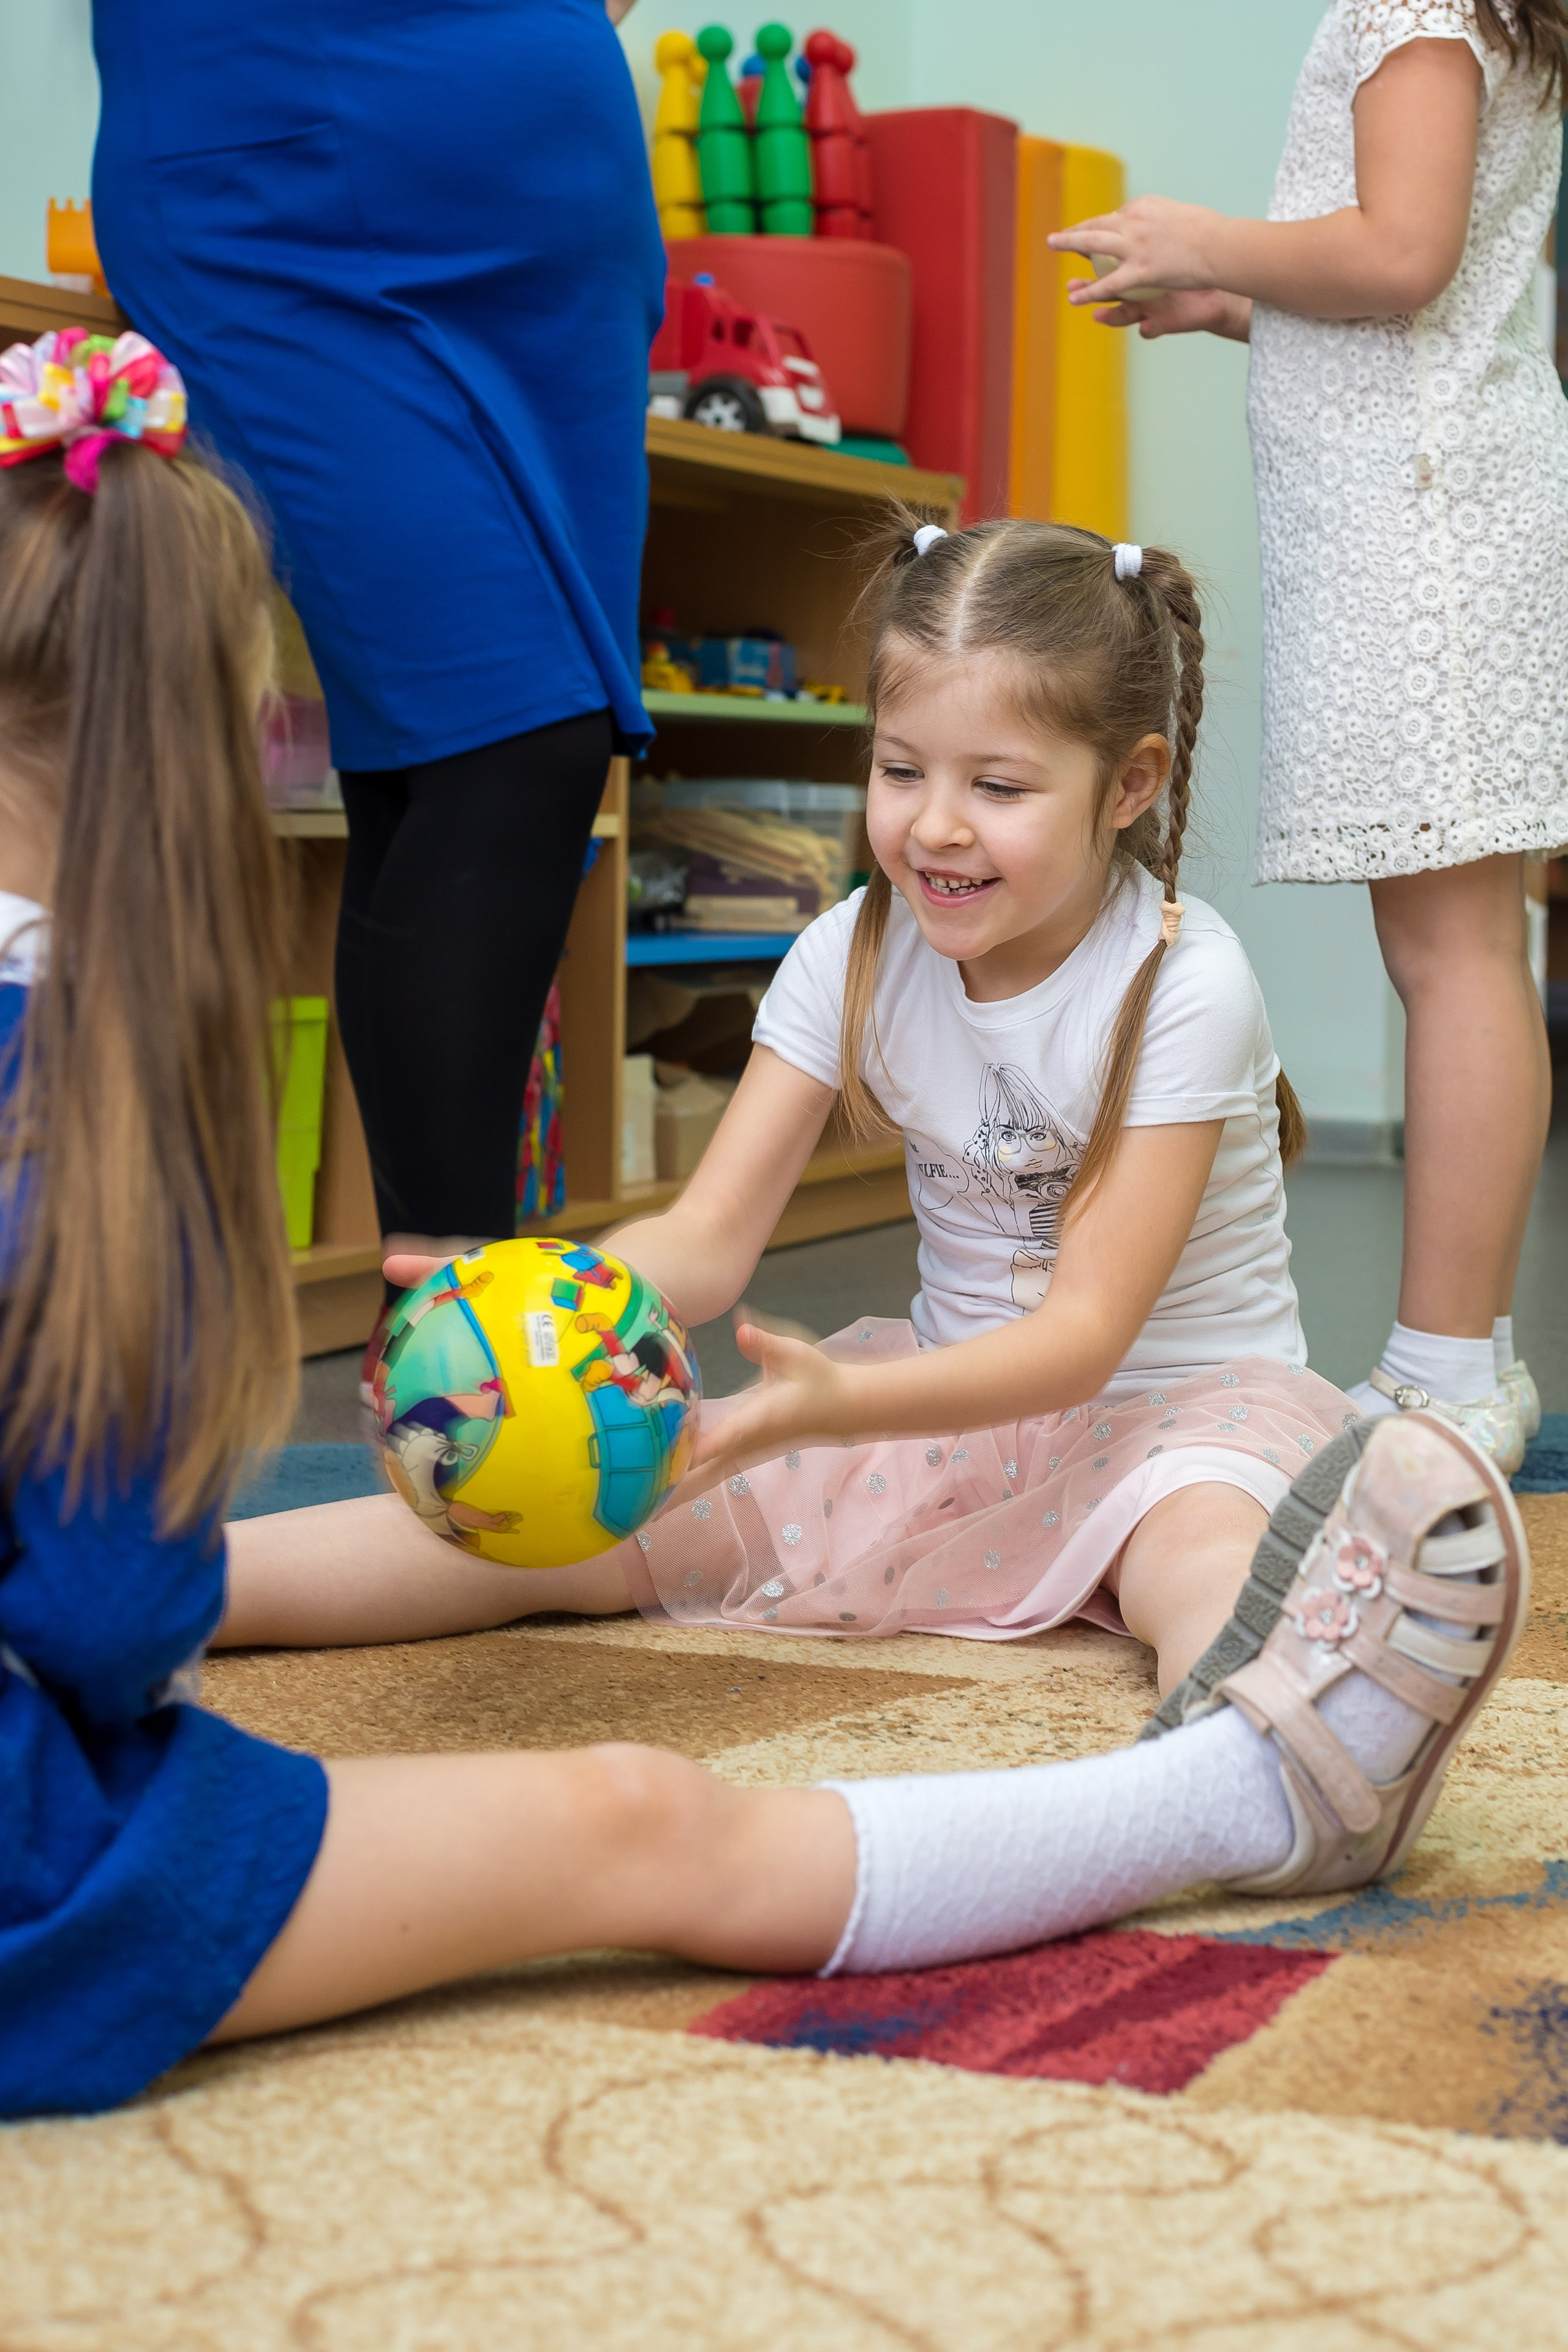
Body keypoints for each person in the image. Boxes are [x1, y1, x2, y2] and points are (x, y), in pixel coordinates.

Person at [0, 378, 1527, 2119]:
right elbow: (711, 1246)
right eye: (899, 771)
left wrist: (819, 1420)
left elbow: (1093, 1339)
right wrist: (530, 1322)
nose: (933, 825)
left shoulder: (1187, 978)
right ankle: (215, 1582)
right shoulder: (848, 954)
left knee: (1194, 1549)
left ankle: (1265, 1741)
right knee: (619, 1522)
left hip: (1171, 1404)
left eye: (998, 785)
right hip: (925, 1409)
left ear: (1133, 787)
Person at [1046, 0, 1568, 1469]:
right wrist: (1225, 301)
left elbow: (1398, 252)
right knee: (1456, 944)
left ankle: (1446, 1371)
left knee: (1454, 947)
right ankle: (1461, 1356)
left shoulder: (1416, 5)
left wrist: (1207, 239)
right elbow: (1422, 277)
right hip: (1424, 505)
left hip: (1427, 522)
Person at [88, 0, 665, 1252]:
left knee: (447, 760)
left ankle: (440, 1352)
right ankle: (450, 1333)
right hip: (275, 186)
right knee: (516, 737)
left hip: (547, 226)